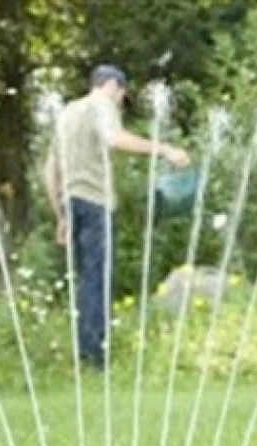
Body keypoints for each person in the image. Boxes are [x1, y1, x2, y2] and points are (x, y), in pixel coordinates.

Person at [42, 65, 190, 370]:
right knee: (97, 279)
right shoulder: (102, 105)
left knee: (86, 279)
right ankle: (95, 357)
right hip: (95, 202)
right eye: (122, 95)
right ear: (113, 85)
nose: (120, 102)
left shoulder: (68, 112)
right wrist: (164, 150)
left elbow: (50, 168)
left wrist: (60, 215)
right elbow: (114, 139)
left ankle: (87, 351)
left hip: (72, 201)